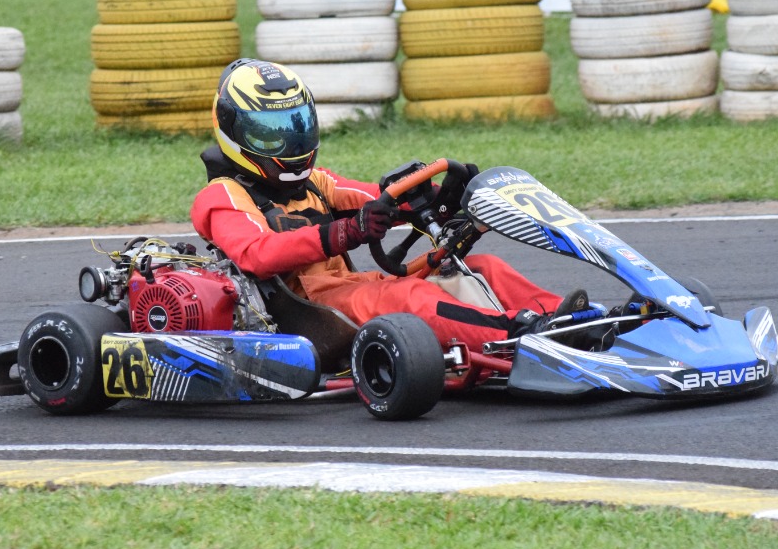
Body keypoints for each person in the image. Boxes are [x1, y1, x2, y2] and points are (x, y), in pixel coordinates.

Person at [190, 59, 584, 351]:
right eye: (271, 134)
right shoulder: (222, 196)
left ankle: (574, 320)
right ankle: (520, 333)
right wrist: (345, 232)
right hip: (310, 310)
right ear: (233, 130)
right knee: (410, 299)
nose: (290, 146)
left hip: (354, 288)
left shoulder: (317, 182)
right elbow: (256, 254)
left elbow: (375, 201)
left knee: (484, 268)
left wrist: (432, 201)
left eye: (296, 127)